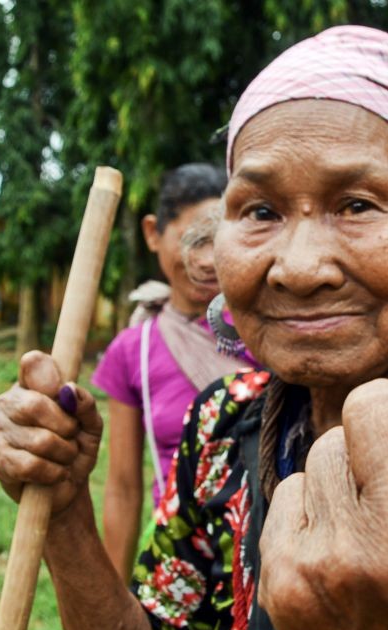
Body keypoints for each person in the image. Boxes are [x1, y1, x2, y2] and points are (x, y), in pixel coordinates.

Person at [0, 26, 388, 630]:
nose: (300, 268)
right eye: (260, 212)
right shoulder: (224, 422)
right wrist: (64, 515)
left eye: (357, 204)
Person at [92, 164, 252, 581]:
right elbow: (124, 488)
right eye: (193, 240)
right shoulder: (135, 351)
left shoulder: (270, 331)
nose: (207, 260)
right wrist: (110, 607)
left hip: (272, 556)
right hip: (181, 569)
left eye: (221, 243)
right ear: (152, 233)